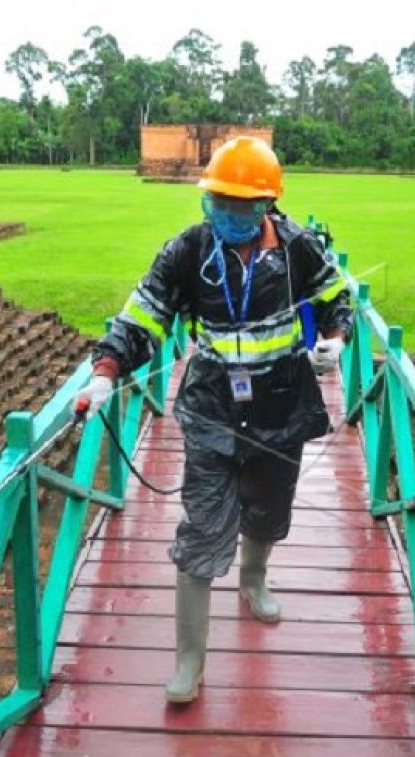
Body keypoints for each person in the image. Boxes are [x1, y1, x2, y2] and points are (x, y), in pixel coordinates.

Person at [75, 136, 353, 703]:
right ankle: (189, 664)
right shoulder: (187, 250)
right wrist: (106, 369)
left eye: (238, 207)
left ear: (266, 206)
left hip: (281, 404)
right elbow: (145, 314)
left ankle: (253, 578)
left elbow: (335, 299)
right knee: (201, 527)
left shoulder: (299, 247)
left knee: (269, 511)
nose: (224, 215)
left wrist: (335, 340)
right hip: (211, 408)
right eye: (215, 203)